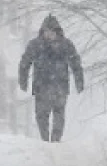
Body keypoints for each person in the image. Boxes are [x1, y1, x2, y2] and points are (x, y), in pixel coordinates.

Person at [18, 14, 84, 142]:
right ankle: (44, 139)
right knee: (41, 116)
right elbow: (24, 63)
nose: (49, 34)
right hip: (41, 87)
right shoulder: (35, 45)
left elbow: (76, 64)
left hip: (60, 86)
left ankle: (55, 139)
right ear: (42, 31)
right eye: (46, 31)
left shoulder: (66, 45)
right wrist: (23, 81)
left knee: (59, 114)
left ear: (57, 32)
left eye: (52, 31)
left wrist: (79, 81)